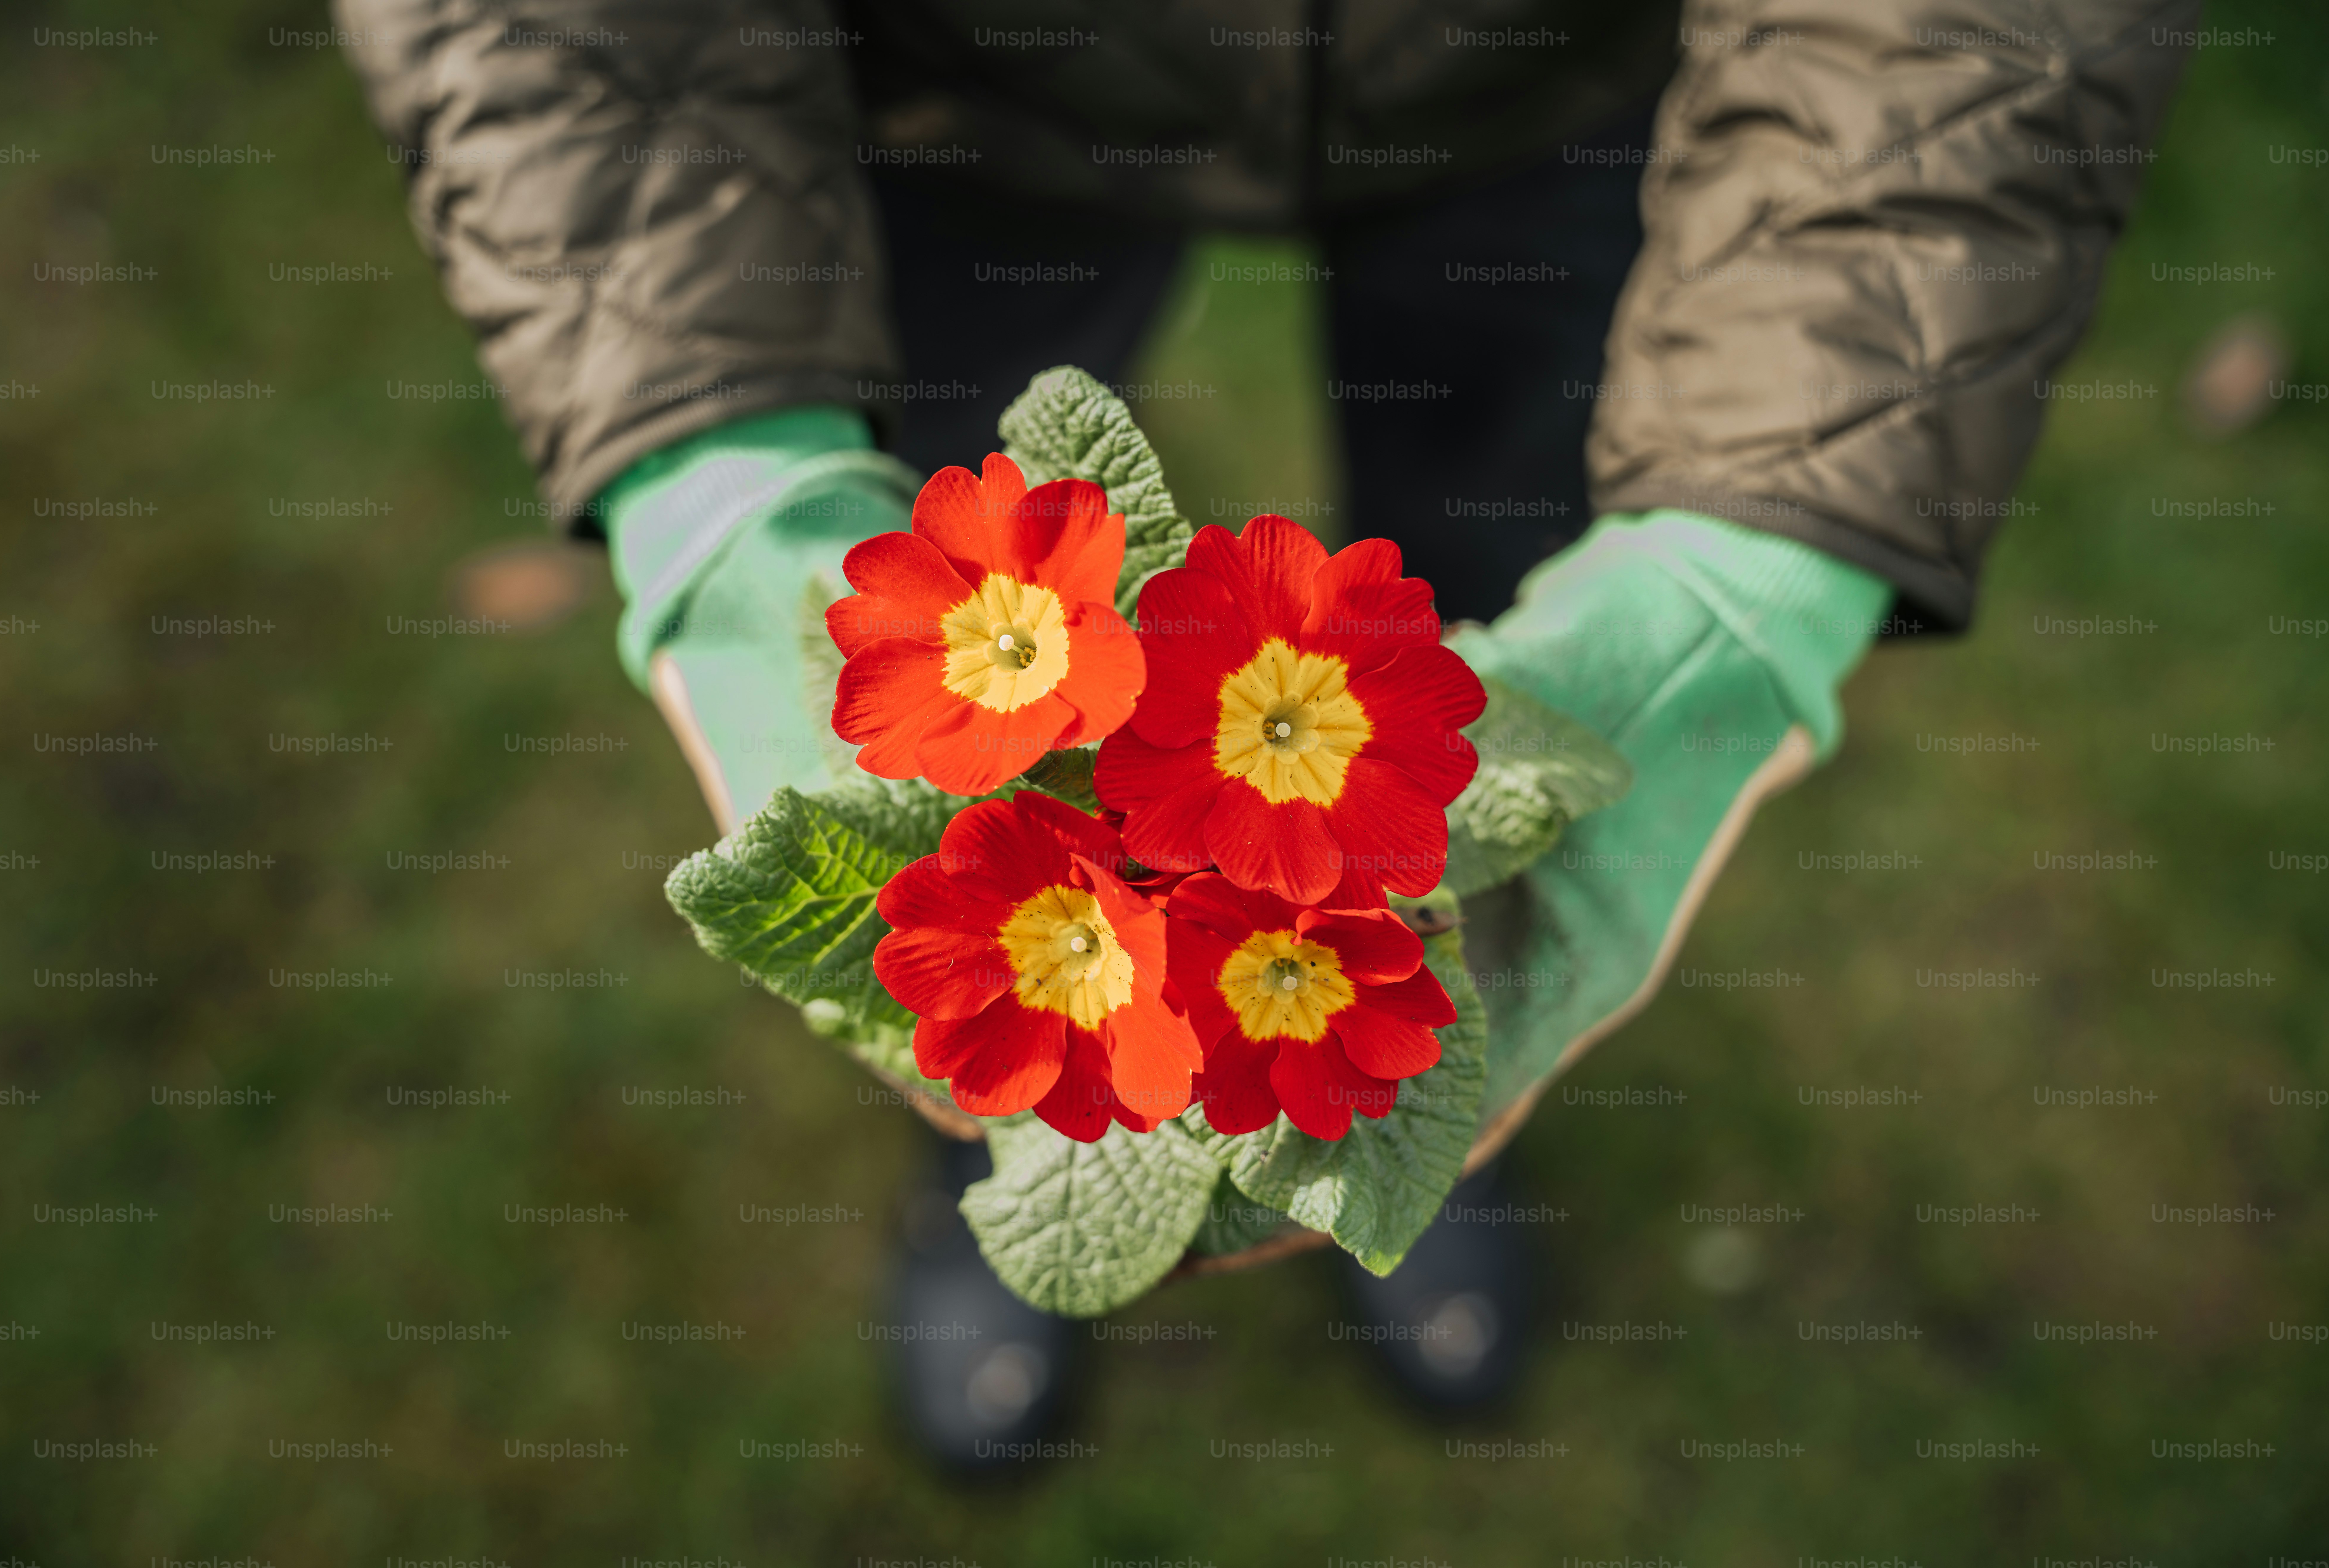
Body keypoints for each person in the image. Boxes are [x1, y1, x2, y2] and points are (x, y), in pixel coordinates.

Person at [337, 0, 2193, 1465]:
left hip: (1544, 75)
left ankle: (1440, 1105)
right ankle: (994, 1138)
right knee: (951, 687)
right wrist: (706, 458)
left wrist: (1754, 567)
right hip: (975, 79)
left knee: (1500, 589)